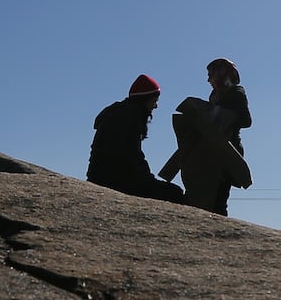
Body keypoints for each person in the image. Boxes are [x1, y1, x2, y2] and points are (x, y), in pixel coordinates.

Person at [157, 57, 253, 216]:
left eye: (211, 75)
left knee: (219, 200)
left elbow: (246, 120)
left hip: (226, 153)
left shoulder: (236, 93)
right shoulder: (216, 95)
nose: (208, 79)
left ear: (222, 74)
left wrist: (222, 116)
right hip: (209, 152)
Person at [87, 74, 187, 204]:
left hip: (98, 177)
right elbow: (132, 158)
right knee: (175, 193)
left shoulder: (120, 112)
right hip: (114, 181)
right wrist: (148, 180)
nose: (156, 106)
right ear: (145, 99)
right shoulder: (130, 116)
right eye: (155, 101)